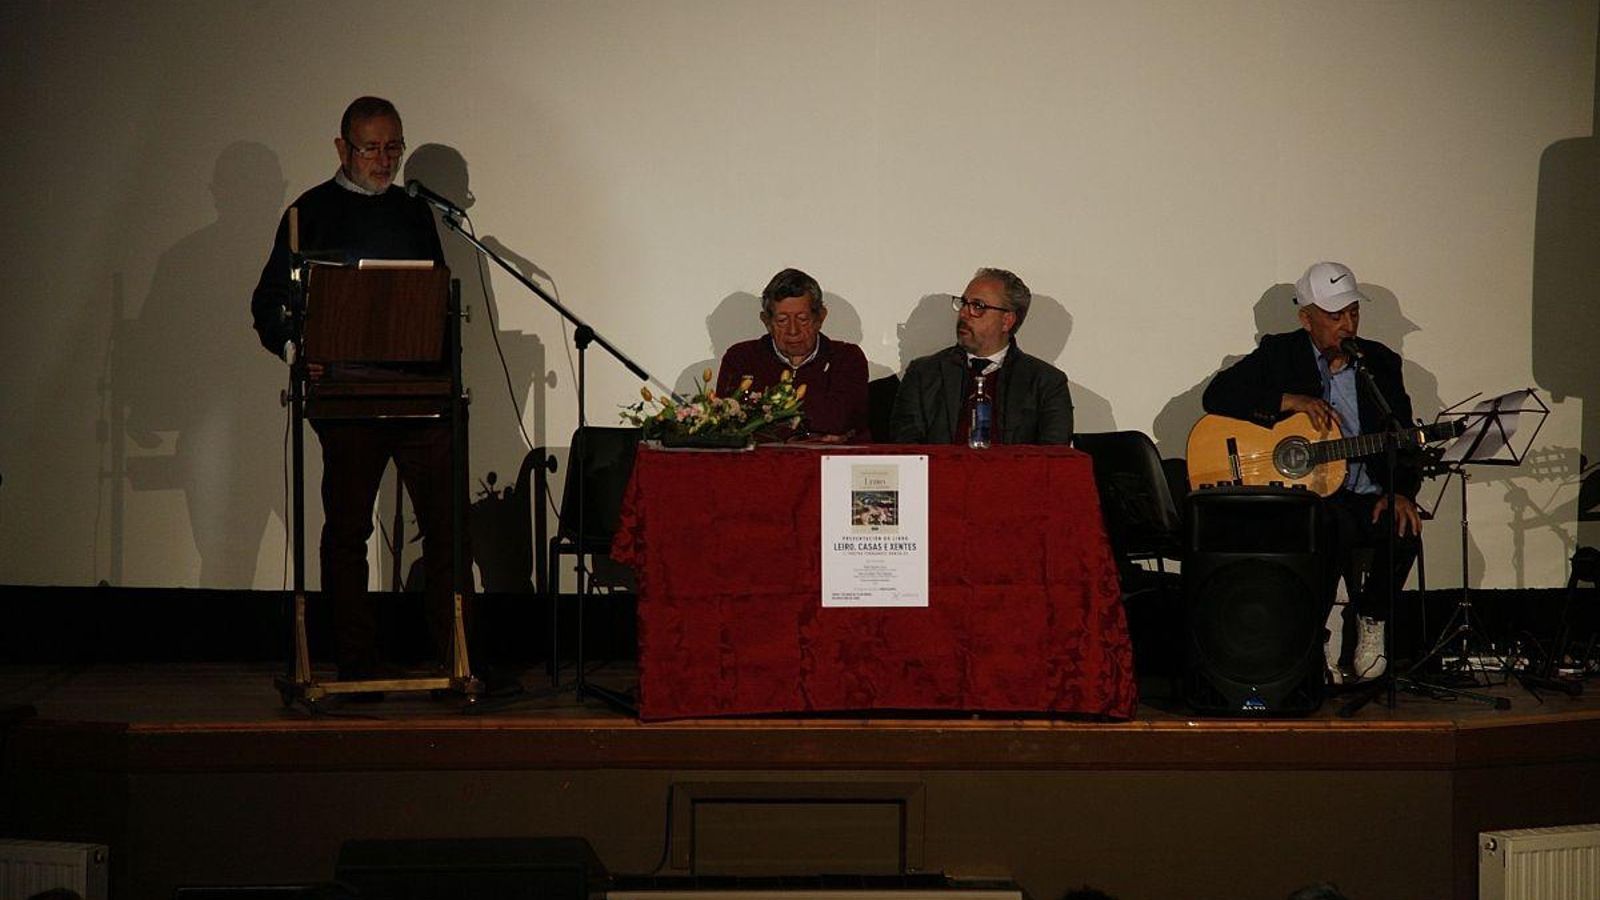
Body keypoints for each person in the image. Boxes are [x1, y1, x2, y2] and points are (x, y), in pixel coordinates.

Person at [251, 96, 465, 684]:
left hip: (418, 394)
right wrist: (301, 351)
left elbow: (431, 299)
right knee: (347, 530)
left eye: (393, 146)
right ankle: (355, 658)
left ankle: (452, 655)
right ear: (342, 148)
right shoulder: (309, 212)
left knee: (445, 528)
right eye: (371, 147)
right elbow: (269, 304)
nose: (384, 159)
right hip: (347, 398)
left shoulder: (414, 213)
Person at [1202, 261, 1423, 682]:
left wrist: (1399, 491)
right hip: (1314, 496)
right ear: (1307, 318)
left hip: (1368, 491)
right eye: (1335, 316)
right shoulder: (1280, 352)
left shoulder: (1381, 363)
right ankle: (1311, 639)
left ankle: (1372, 622)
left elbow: (1404, 436)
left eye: (1353, 312)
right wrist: (1289, 400)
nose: (1348, 324)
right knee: (1329, 524)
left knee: (1405, 526)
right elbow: (1218, 395)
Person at [890, 267, 1073, 444]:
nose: (963, 313)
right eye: (963, 303)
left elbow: (1054, 458)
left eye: (978, 306)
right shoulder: (923, 374)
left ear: (1007, 321)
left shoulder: (1046, 383)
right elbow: (906, 450)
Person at [714, 267, 870, 441]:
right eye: (782, 320)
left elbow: (838, 421)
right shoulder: (741, 359)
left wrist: (767, 417)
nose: (793, 331)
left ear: (820, 318)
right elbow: (728, 426)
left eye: (802, 319)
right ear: (767, 321)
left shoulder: (846, 358)